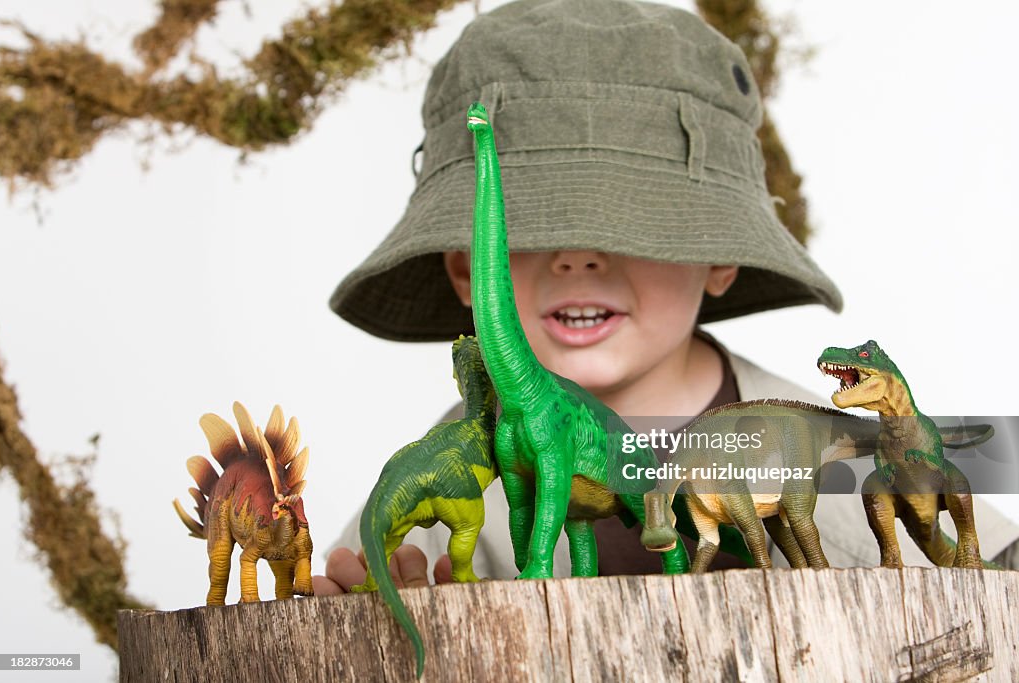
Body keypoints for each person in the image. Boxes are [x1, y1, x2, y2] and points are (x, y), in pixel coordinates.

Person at [313, 0, 1018, 595]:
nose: (578, 255)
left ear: (719, 253)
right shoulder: (450, 459)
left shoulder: (844, 452)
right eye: (532, 225)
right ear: (465, 266)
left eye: (632, 218)